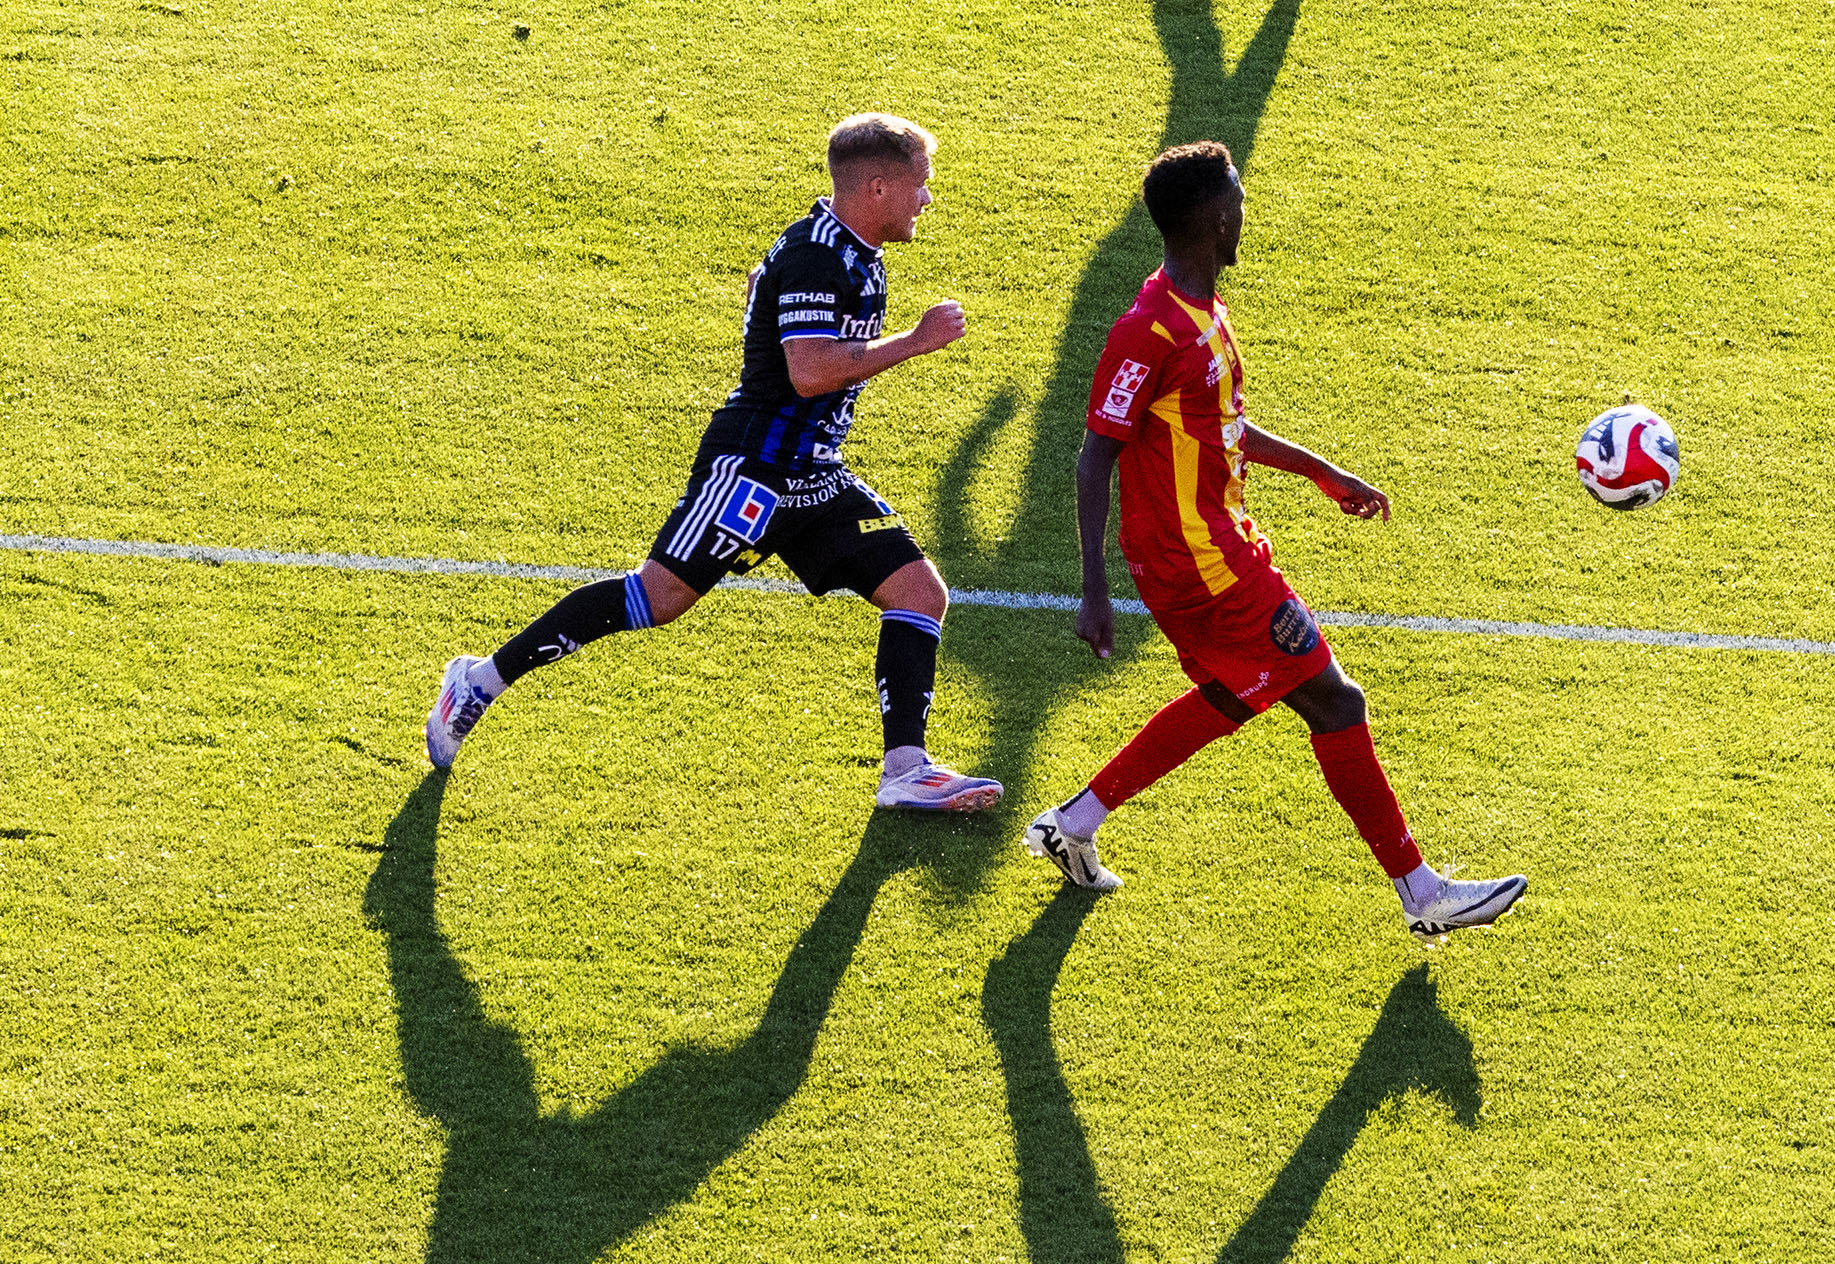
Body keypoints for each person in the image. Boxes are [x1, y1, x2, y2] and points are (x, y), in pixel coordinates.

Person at [424, 115, 1000, 815]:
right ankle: (478, 682)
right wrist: (915, 341)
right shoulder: (820, 254)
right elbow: (811, 369)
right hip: (754, 470)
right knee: (655, 599)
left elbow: (773, 296)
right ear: (876, 187)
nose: (926, 200)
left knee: (919, 593)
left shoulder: (851, 250)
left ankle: (905, 770)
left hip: (814, 474)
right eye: (919, 185)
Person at [1025, 142, 1524, 934]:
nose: (1246, 211)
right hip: (1204, 566)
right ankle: (1422, 894)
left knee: (1230, 695)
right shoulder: (1148, 330)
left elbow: (1220, 425)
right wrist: (1093, 587)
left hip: (1212, 549)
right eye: (1241, 200)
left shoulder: (1201, 310)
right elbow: (1094, 457)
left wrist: (1321, 471)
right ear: (1217, 218)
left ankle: (1074, 822)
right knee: (1335, 700)